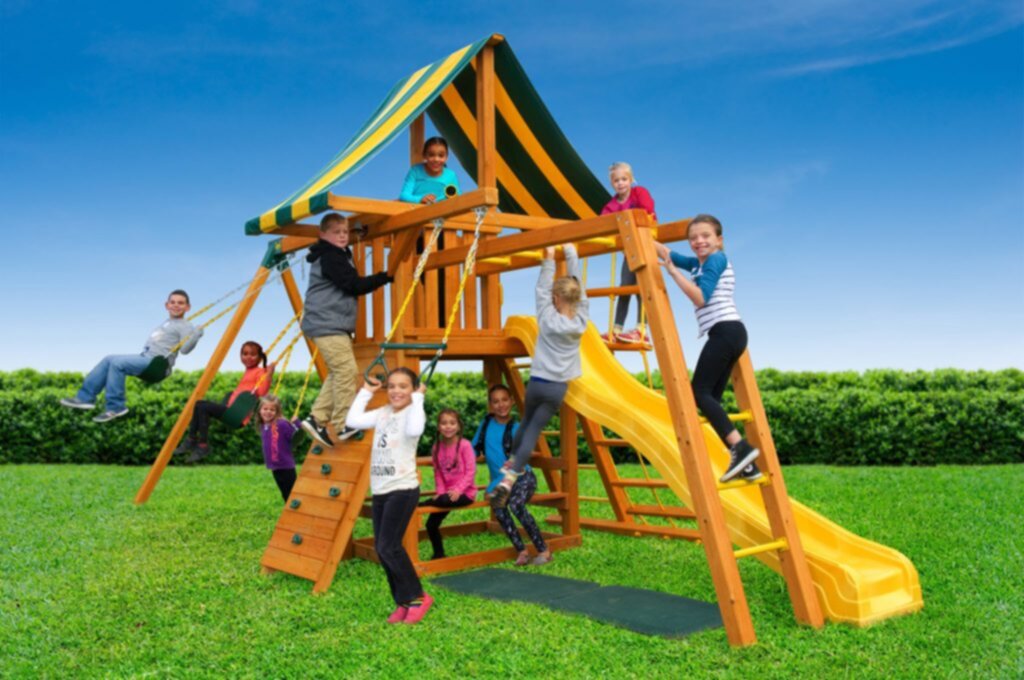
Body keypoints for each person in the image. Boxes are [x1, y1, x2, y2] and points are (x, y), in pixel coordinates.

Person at [655, 214, 761, 482]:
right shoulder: (698, 264)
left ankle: (741, 447)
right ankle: (748, 466)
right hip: (730, 333)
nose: (699, 241)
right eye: (693, 238)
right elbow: (668, 253)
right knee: (709, 399)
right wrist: (641, 237)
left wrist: (673, 274)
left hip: (725, 331)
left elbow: (701, 298)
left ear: (719, 240)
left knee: (699, 392)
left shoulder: (715, 260)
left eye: (705, 236)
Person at [490, 244, 588, 512]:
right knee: (534, 429)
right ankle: (510, 478)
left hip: (537, 383)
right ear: (577, 298)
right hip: (557, 389)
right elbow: (580, 289)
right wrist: (572, 255)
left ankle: (511, 460)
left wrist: (550, 258)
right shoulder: (581, 321)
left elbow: (541, 290)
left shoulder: (546, 318)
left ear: (555, 298)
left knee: (525, 423)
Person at [345, 367, 433, 625]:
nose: (396, 391)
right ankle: (403, 601)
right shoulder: (383, 412)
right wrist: (365, 392)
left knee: (389, 546)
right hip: (381, 490)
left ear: (413, 389)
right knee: (382, 549)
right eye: (392, 386)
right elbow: (353, 420)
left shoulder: (413, 412)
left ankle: (418, 598)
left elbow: (415, 430)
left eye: (403, 386)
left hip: (403, 488)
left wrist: (419, 398)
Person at [300, 212, 392, 448]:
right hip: (326, 323)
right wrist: (384, 277)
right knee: (347, 371)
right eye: (336, 232)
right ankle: (342, 424)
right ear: (323, 234)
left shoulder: (336, 254)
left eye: (345, 232)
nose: (342, 236)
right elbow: (353, 285)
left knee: (338, 372)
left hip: (327, 324)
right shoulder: (331, 256)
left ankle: (317, 418)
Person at [60, 290, 202, 423]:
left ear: (187, 307)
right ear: (167, 305)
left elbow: (185, 350)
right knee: (109, 359)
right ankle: (85, 398)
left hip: (157, 365)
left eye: (180, 303)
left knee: (118, 364)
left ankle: (116, 407)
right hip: (145, 357)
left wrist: (196, 334)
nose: (176, 305)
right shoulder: (168, 322)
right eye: (173, 302)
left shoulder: (185, 326)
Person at [473, 384, 551, 566]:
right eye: (496, 401)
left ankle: (544, 550)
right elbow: (473, 448)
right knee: (498, 507)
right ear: (490, 405)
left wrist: (494, 487)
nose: (501, 405)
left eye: (504, 400)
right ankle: (522, 551)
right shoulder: (485, 425)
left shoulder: (518, 428)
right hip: (501, 481)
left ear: (512, 401)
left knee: (516, 505)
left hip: (523, 477)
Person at [174, 341, 274, 463]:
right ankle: (192, 439)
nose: (248, 357)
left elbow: (262, 392)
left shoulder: (261, 371)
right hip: (231, 410)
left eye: (252, 354)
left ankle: (202, 445)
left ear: (260, 357)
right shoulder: (249, 370)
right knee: (199, 404)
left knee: (203, 407)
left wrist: (269, 374)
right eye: (245, 354)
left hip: (237, 416)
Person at [600, 162, 657, 344]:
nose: (620, 183)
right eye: (616, 180)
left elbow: (647, 209)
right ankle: (617, 329)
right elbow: (603, 223)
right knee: (624, 287)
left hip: (645, 245)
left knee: (641, 287)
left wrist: (626, 220)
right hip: (629, 251)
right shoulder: (611, 205)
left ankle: (641, 329)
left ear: (630, 179)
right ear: (612, 183)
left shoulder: (639, 192)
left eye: (624, 179)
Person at [419, 409, 477, 561]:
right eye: (444, 423)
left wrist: (458, 490)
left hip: (465, 493)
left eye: (452, 423)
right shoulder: (436, 447)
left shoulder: (465, 445)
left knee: (444, 500)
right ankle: (439, 554)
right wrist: (440, 491)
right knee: (431, 525)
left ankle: (426, 502)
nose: (448, 426)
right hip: (445, 495)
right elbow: (438, 472)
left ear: (458, 426)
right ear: (438, 427)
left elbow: (471, 471)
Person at [254, 395, 299, 503]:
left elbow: (296, 437)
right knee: (285, 494)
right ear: (260, 410)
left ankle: (297, 511)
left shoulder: (282, 424)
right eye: (265, 409)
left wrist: (297, 423)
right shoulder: (263, 425)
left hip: (286, 466)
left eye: (272, 410)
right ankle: (290, 511)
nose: (268, 412)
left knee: (292, 494)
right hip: (275, 467)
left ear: (277, 412)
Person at [399, 137, 461, 204]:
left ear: (446, 157)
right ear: (424, 155)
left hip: (442, 209)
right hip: (417, 209)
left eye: (441, 155)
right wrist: (420, 199)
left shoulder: (451, 175)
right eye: (431, 155)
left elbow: (458, 197)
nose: (436, 159)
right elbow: (404, 196)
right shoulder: (415, 171)